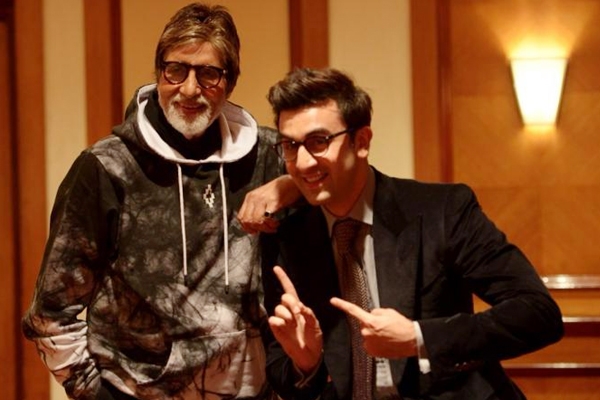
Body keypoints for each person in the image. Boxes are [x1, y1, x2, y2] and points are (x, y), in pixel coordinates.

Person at [22, 3, 296, 399]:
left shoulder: (267, 156)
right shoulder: (107, 167)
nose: (190, 89)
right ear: (158, 73)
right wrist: (95, 394)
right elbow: (50, 315)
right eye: (176, 70)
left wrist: (289, 185)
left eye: (208, 74)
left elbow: (342, 177)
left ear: (230, 81)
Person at [259, 67, 564, 400]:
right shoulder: (288, 238)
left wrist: (419, 338)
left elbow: (538, 313)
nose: (303, 162)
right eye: (290, 145)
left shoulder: (442, 210)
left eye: (319, 142)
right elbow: (282, 371)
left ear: (362, 142)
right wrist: (306, 363)